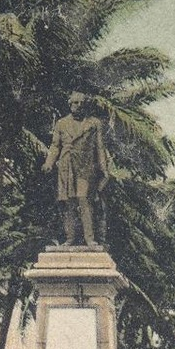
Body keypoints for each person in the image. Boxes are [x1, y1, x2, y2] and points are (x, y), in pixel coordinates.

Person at [42, 91, 111, 248]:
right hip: (66, 166)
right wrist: (49, 162)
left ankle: (89, 239)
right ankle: (70, 238)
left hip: (85, 166)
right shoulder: (61, 123)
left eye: (82, 103)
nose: (79, 106)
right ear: (70, 104)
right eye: (75, 103)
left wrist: (103, 167)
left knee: (84, 200)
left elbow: (100, 147)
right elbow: (55, 146)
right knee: (68, 203)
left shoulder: (94, 123)